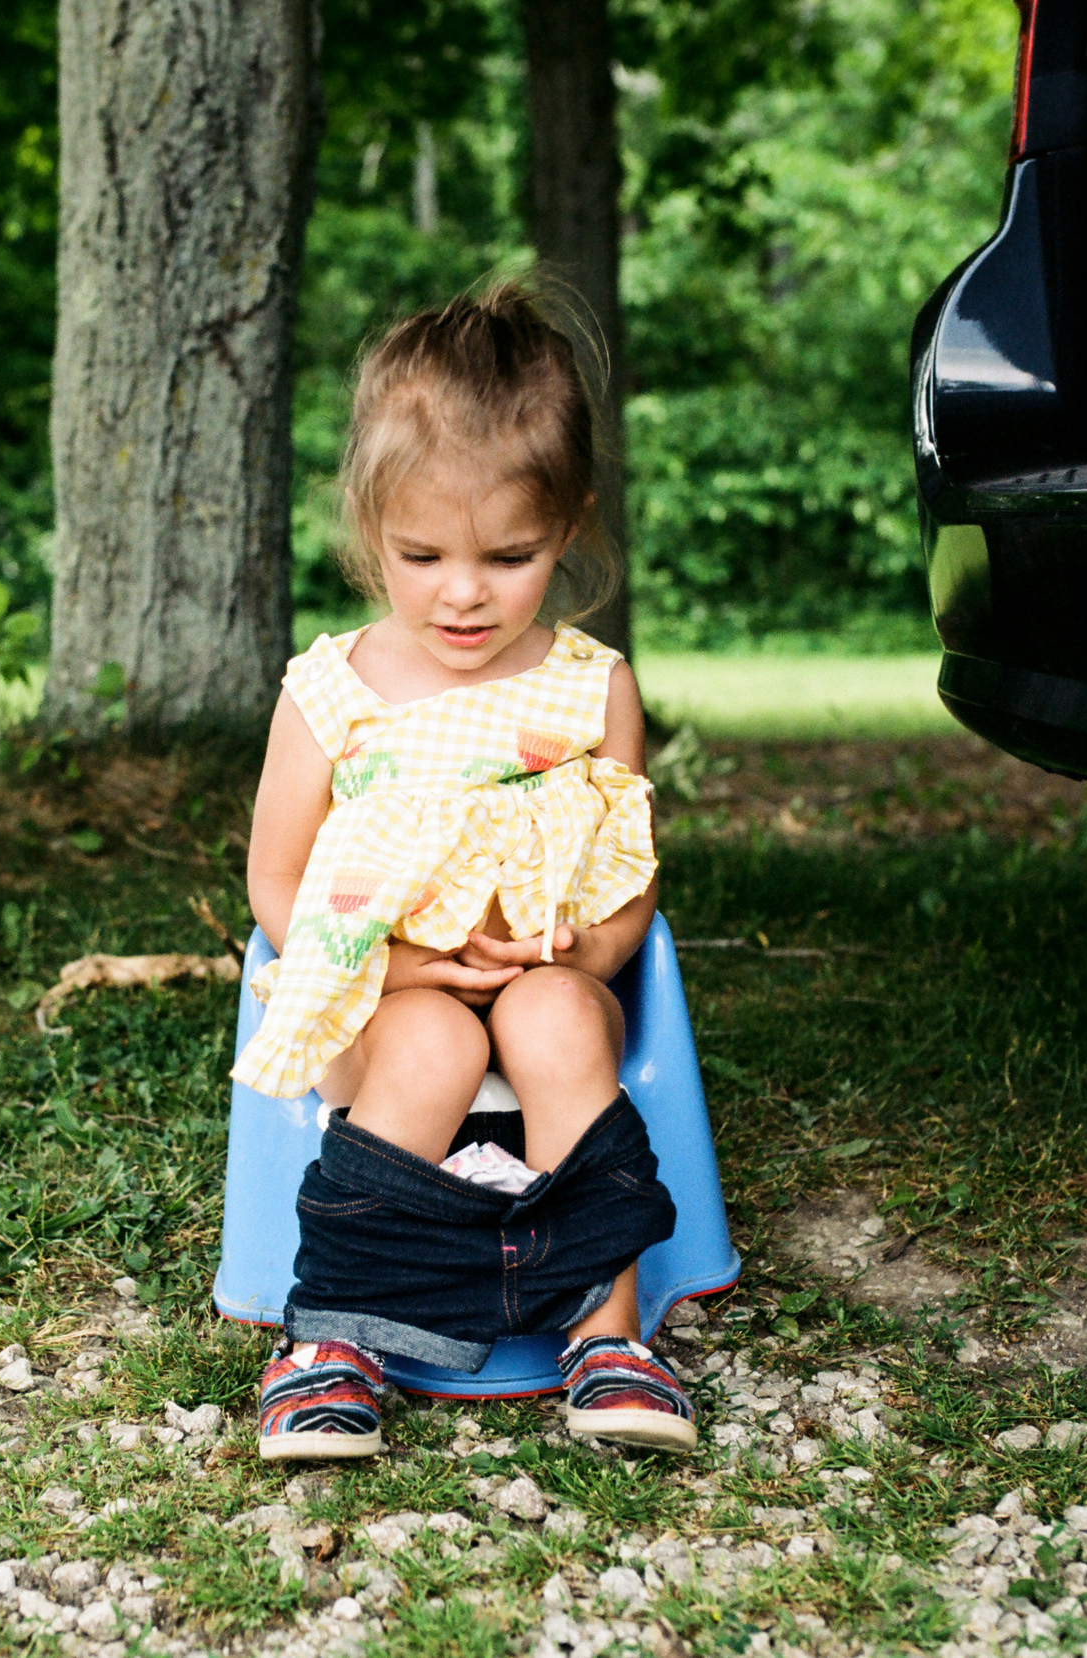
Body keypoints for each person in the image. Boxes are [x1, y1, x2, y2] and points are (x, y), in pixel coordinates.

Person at [236, 283, 694, 1461]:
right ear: (368, 523)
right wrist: (395, 963)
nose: (463, 591)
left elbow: (626, 874)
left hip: (541, 964)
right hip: (381, 988)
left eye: (510, 554)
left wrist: (571, 949)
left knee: (551, 1020)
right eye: (421, 553)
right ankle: (332, 1338)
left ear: (571, 523)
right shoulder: (332, 688)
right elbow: (275, 883)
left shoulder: (590, 686)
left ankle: (608, 1332)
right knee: (436, 1041)